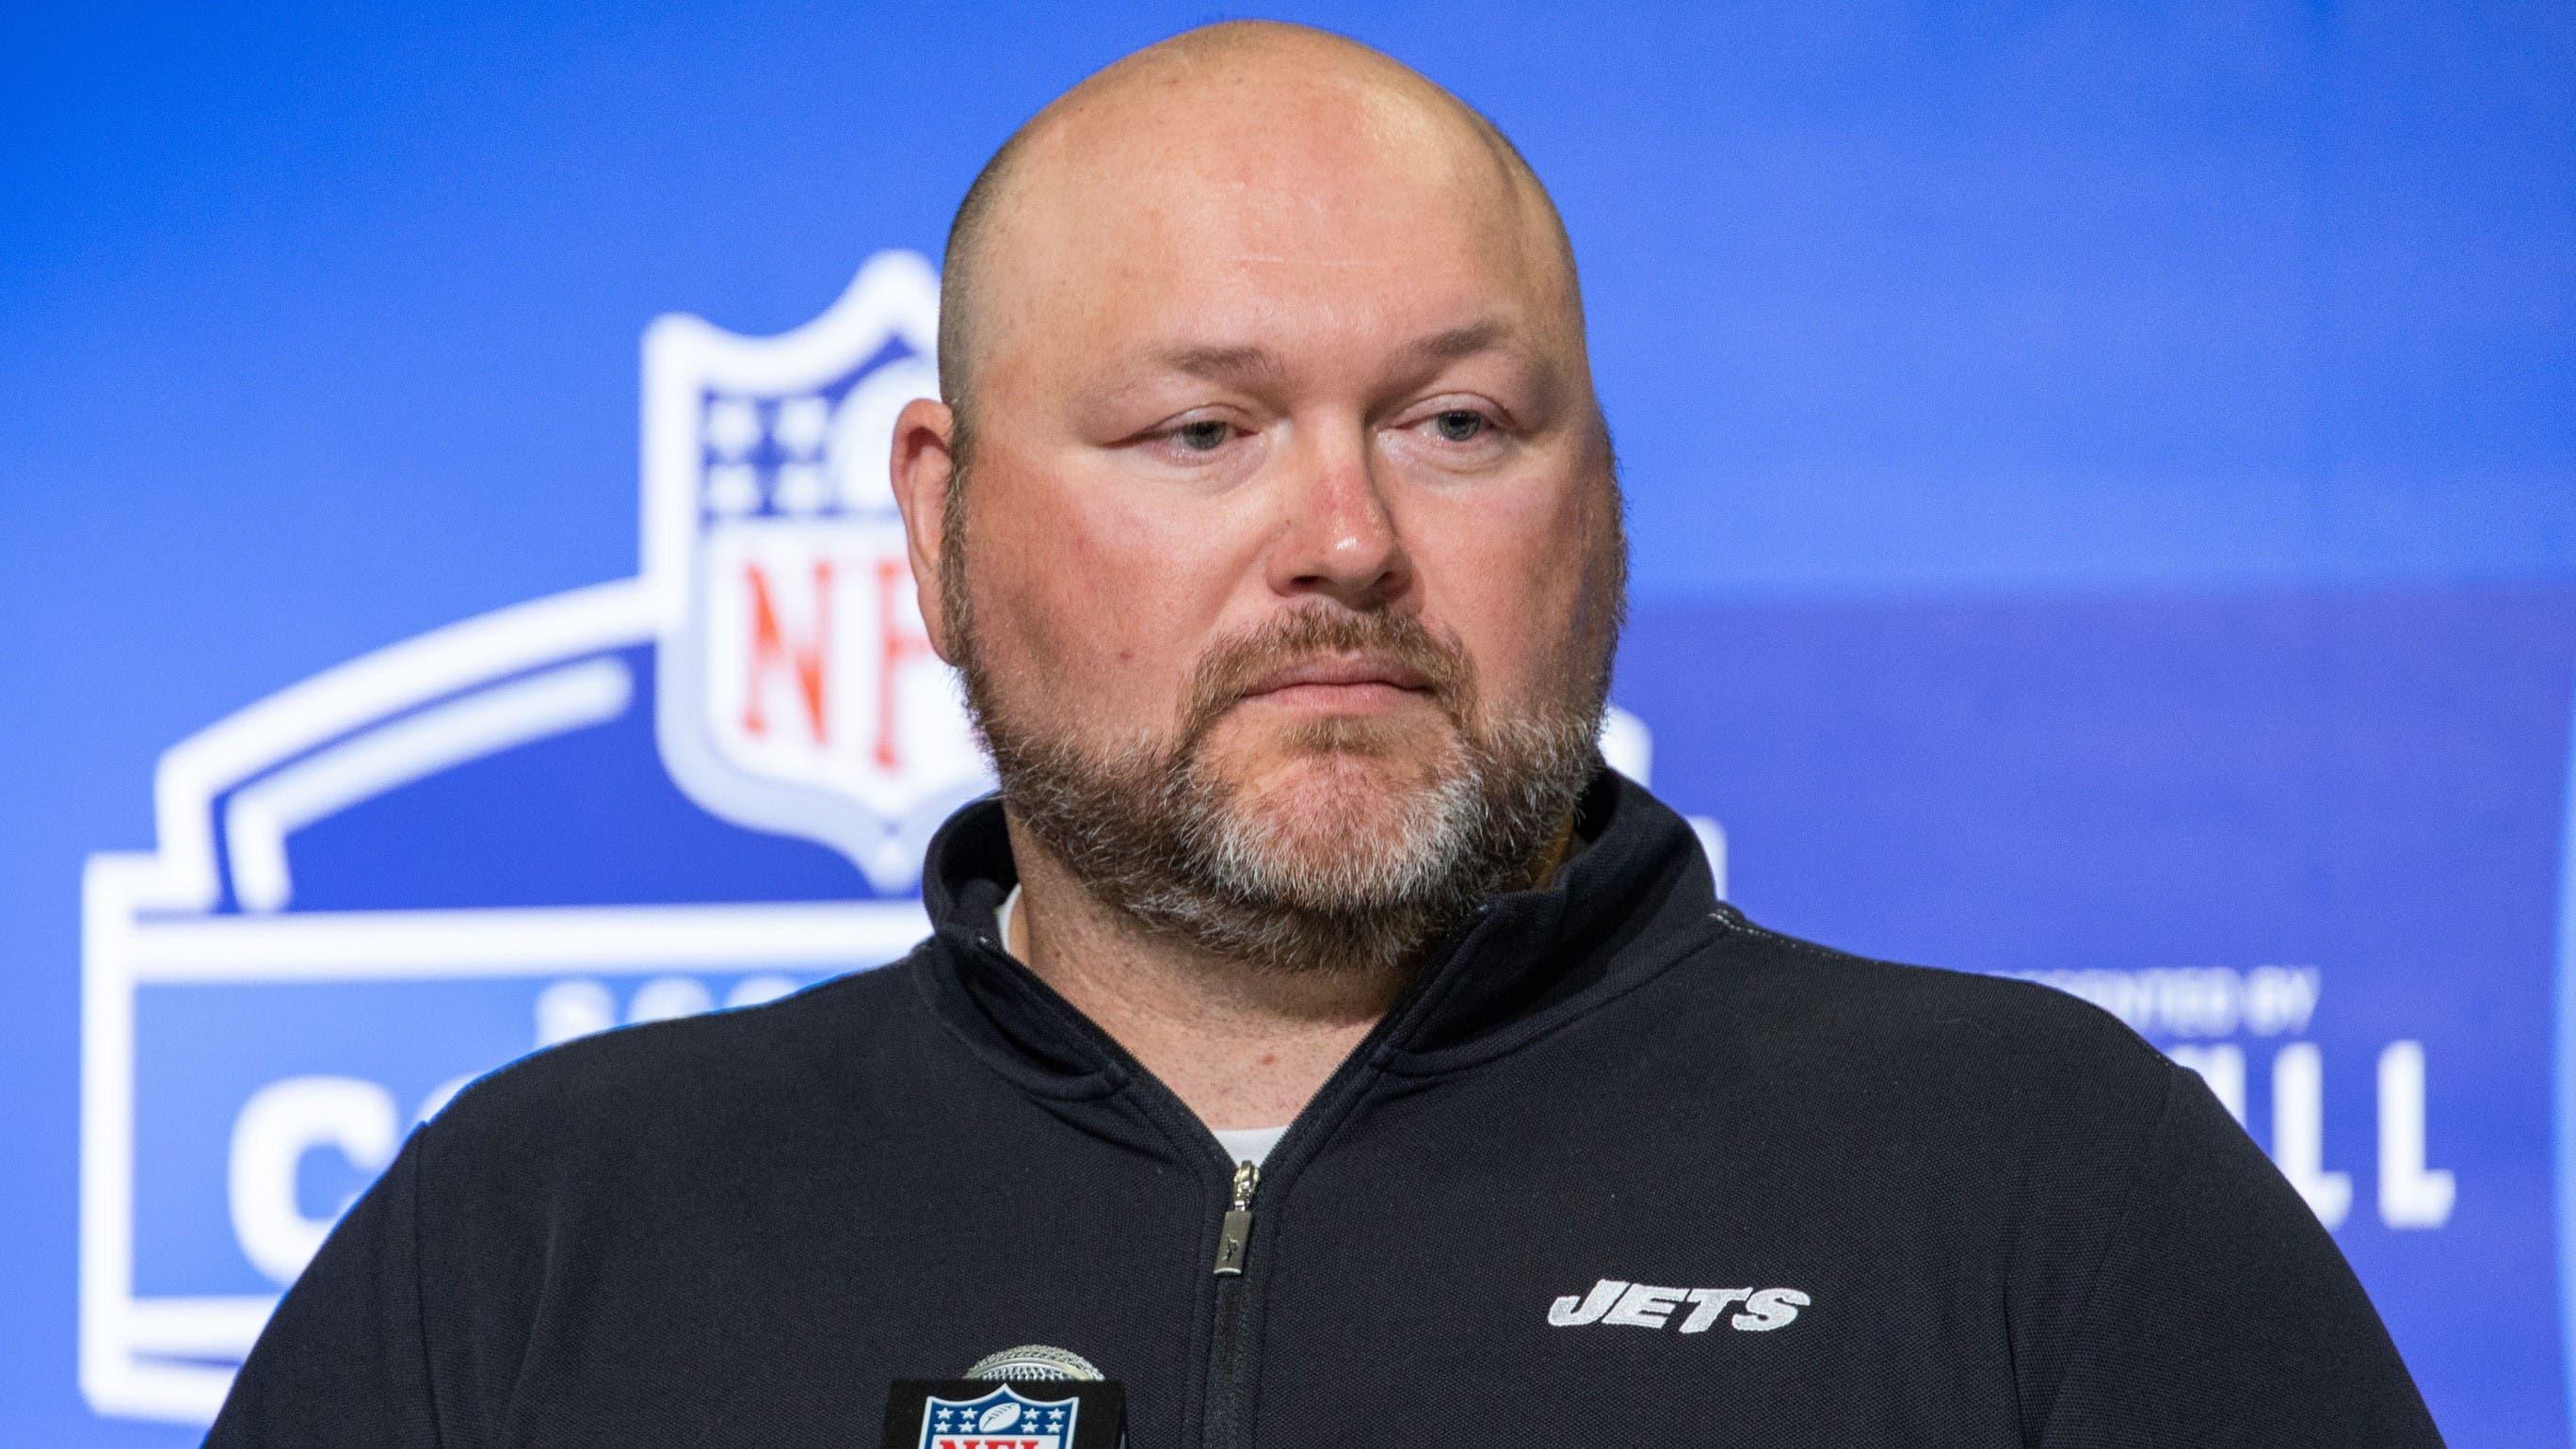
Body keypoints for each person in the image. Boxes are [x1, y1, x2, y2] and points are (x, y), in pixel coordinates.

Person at [209, 21, 2442, 1448]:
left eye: (1457, 421)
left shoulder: (2044, 1186)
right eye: (1203, 427)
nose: (1347, 537)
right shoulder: (534, 1238)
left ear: (1601, 503)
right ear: (942, 516)